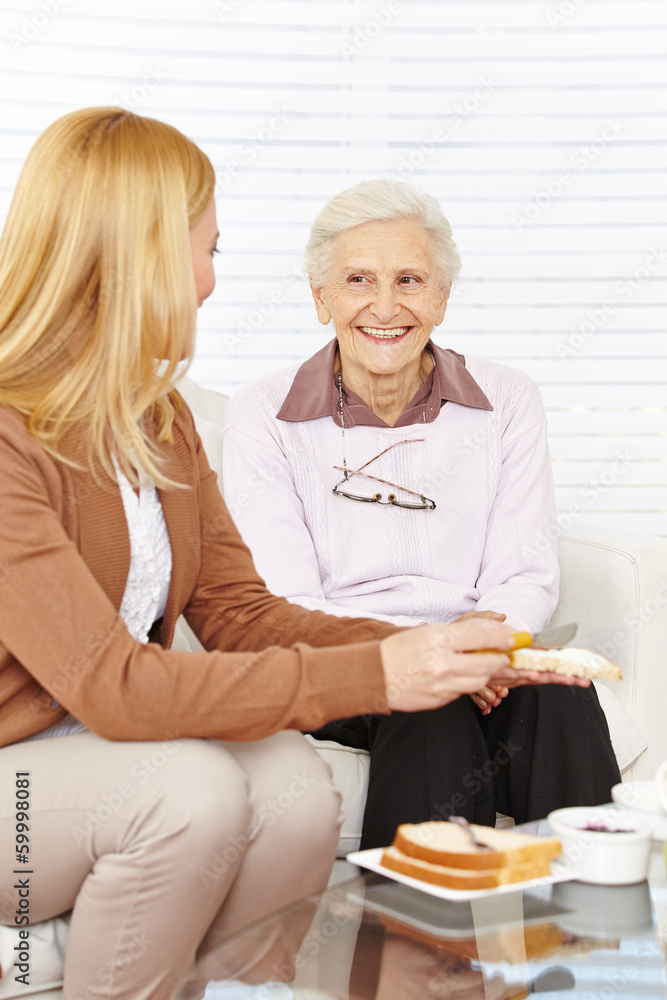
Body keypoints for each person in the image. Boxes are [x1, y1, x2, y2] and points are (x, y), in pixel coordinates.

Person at [0, 111, 576, 1000]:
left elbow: (240, 613)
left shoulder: (157, 419)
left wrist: (428, 654)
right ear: (135, 254)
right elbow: (111, 685)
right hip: (19, 787)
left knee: (297, 790)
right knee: (190, 789)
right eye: (208, 251)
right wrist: (386, 668)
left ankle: (247, 990)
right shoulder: (8, 437)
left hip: (102, 754)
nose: (207, 285)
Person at [222, 178, 621, 850]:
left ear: (440, 297)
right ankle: (422, 948)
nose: (385, 306)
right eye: (357, 280)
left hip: (481, 649)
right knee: (428, 701)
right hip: (346, 663)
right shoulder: (263, 414)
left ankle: (587, 940)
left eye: (409, 279)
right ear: (321, 298)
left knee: (559, 691)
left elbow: (523, 571)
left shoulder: (508, 400)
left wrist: (478, 648)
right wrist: (428, 656)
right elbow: (285, 601)